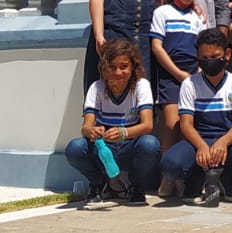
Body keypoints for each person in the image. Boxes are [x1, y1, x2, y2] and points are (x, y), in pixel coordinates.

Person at [160, 28, 232, 204]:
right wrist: (201, 146)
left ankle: (230, 177)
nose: (209, 62)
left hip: (229, 140)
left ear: (227, 54)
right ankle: (195, 178)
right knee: (170, 163)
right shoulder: (190, 84)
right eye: (204, 58)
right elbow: (186, 124)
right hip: (198, 140)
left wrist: (223, 143)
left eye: (215, 57)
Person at [65, 39, 160, 204]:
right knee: (75, 148)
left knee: (150, 144)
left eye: (123, 67)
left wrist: (123, 133)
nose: (117, 73)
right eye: (112, 67)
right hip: (104, 148)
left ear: (132, 67)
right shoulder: (97, 87)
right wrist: (92, 132)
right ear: (104, 68)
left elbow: (147, 125)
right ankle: (98, 183)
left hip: (129, 146)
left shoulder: (140, 86)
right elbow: (86, 127)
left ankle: (136, 184)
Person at [150, 0, 208, 149]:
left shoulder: (198, 17)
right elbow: (157, 47)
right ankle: (166, 172)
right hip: (170, 75)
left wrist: (198, 72)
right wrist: (178, 73)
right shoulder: (163, 12)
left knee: (190, 125)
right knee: (172, 125)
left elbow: (204, 49)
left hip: (194, 73)